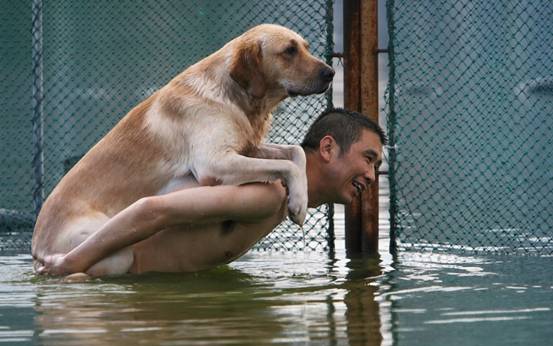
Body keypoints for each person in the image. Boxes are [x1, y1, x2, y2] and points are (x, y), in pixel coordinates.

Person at [36, 108, 385, 278]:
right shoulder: (270, 193)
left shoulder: (279, 192)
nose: (371, 176)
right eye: (368, 160)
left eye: (376, 167)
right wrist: (72, 263)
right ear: (327, 148)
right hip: (101, 272)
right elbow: (154, 210)